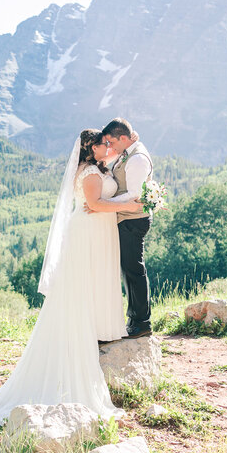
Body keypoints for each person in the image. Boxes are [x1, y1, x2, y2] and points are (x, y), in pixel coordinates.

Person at [0, 129, 141, 425]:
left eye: (109, 142)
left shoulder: (99, 167)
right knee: (78, 290)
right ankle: (75, 346)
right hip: (88, 232)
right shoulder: (89, 172)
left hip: (98, 231)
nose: (107, 146)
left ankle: (88, 332)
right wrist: (129, 205)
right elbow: (95, 205)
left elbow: (107, 183)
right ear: (90, 147)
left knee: (87, 287)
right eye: (102, 143)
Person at [100, 118, 154, 339]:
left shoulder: (138, 159)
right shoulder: (129, 149)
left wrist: (101, 205)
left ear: (123, 138)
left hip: (133, 219)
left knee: (134, 270)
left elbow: (133, 194)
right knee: (128, 270)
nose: (110, 147)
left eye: (112, 142)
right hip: (126, 218)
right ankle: (135, 319)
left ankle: (141, 322)